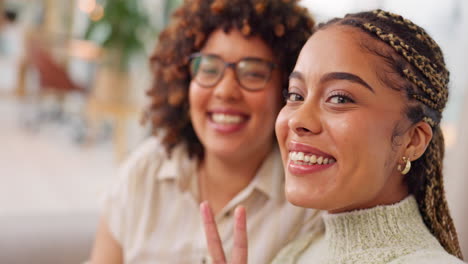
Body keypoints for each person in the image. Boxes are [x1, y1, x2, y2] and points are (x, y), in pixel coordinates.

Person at [201, 9, 466, 263]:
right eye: (295, 95)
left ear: (413, 140)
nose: (297, 120)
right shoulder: (297, 252)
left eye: (339, 98)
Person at [89, 0, 320, 263]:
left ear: (287, 91)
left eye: (253, 73)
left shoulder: (307, 208)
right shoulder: (143, 173)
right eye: (209, 68)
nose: (225, 91)